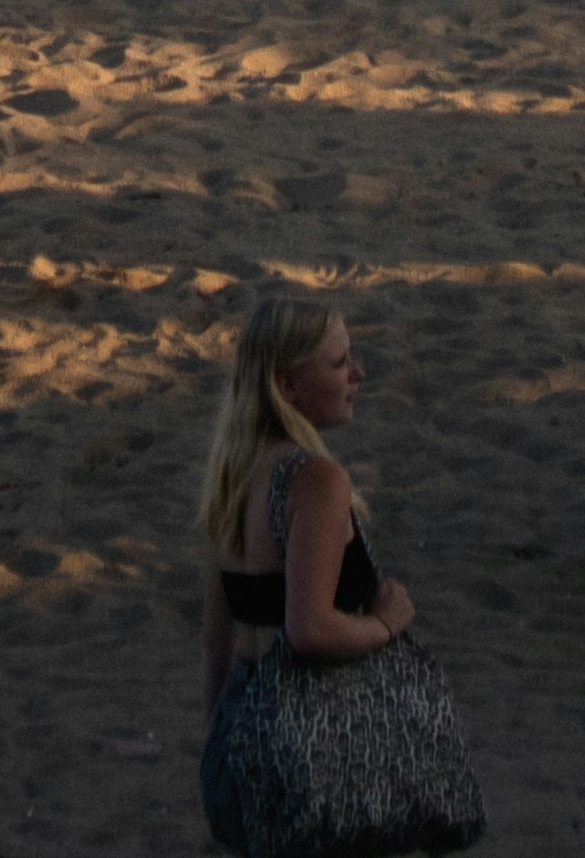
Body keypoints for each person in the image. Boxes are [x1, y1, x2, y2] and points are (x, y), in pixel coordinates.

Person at [194, 288, 481, 858]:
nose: (359, 372)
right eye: (338, 362)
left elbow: (218, 643)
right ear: (287, 387)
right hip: (311, 741)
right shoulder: (316, 481)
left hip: (241, 725)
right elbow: (310, 630)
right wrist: (386, 623)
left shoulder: (231, 473)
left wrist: (224, 746)